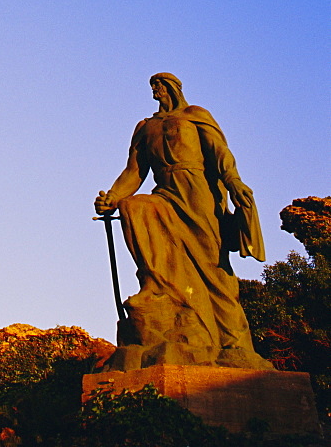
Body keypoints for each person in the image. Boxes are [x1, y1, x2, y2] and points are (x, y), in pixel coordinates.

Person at [94, 73, 271, 369]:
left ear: (174, 88)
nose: (155, 90)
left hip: (197, 191)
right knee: (134, 207)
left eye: (160, 84)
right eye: (152, 86)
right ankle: (157, 285)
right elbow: (134, 172)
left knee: (211, 265)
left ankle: (231, 340)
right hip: (164, 190)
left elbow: (220, 154)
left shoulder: (195, 116)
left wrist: (234, 182)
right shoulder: (145, 128)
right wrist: (112, 197)